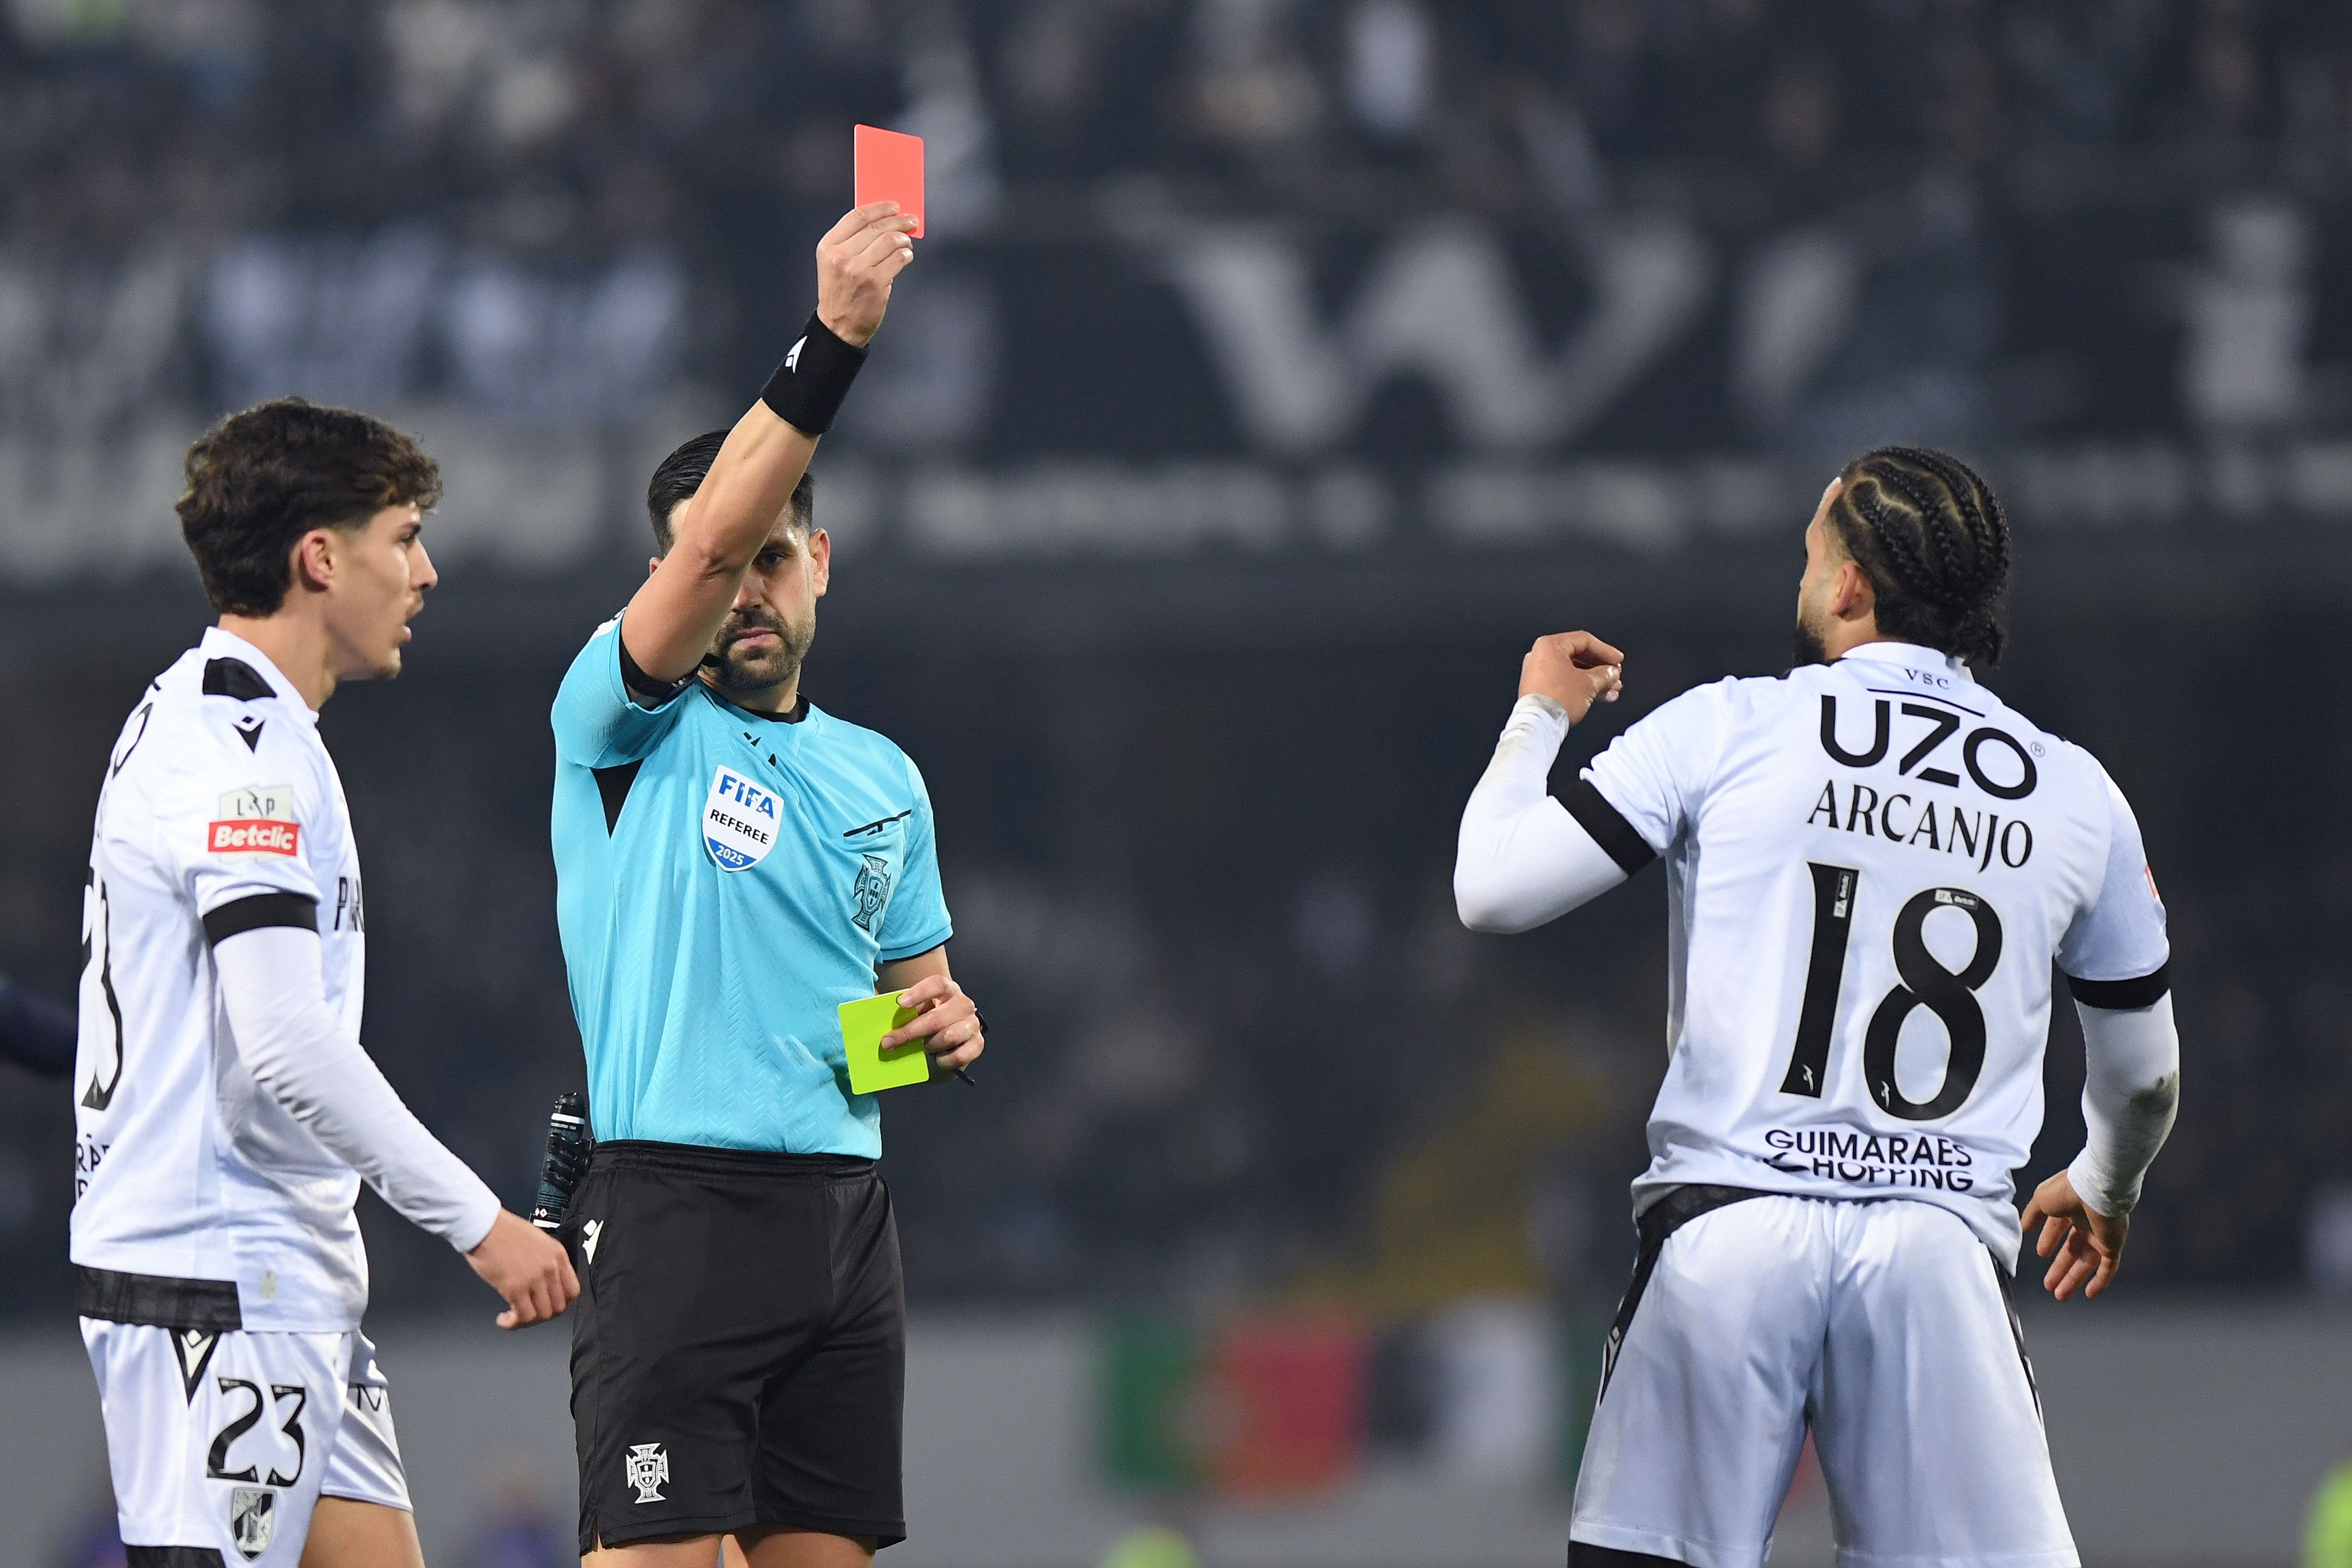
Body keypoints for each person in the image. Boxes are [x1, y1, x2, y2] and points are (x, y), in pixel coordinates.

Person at [1454, 446, 2180, 1567]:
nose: (1803, 579)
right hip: (1937, 1254)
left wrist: (1540, 716)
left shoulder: (1729, 727)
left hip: (1728, 1232)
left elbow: (1493, 888)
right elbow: (2144, 1076)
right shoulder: (2076, 791)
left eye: (1810, 556)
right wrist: (2103, 1181)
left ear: (1850, 587)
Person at [549, 201, 982, 1567]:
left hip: (846, 1222)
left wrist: (940, 1034)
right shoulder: (619, 725)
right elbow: (697, 551)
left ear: (822, 566)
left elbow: (896, 1020)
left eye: (774, 558)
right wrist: (832, 348)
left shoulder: (883, 779)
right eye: (725, 561)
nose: (745, 587)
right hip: (676, 1209)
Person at [73, 398, 578, 1568]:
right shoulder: (238, 756)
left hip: (274, 1273)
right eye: (402, 537)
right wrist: (480, 1223)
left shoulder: (231, 722)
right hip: (217, 1279)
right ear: (319, 558)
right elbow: (286, 1043)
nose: (426, 571)